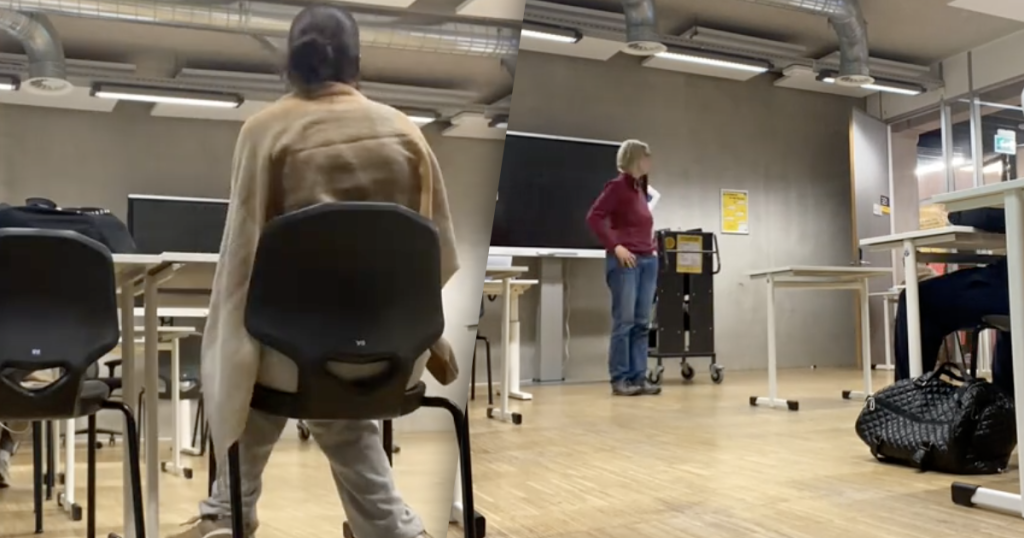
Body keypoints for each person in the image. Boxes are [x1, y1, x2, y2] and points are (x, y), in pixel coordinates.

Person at [170, 5, 460, 538]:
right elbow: (438, 255)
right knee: (337, 402)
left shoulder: (263, 132)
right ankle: (389, 529)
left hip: (297, 357)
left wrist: (228, 348)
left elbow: (240, 260)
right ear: (357, 64)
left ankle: (227, 513)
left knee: (257, 373)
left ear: (290, 62)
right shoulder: (406, 133)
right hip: (393, 354)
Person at [893, 208, 1014, 396]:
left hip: (1011, 281)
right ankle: (1008, 401)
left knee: (916, 301)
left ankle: (906, 401)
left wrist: (955, 213)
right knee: (1012, 322)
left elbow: (992, 215)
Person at [585, 139, 661, 397]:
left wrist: (652, 247)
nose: (650, 161)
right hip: (626, 262)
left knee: (642, 323)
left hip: (648, 260)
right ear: (635, 159)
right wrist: (616, 246)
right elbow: (594, 217)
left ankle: (639, 377)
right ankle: (620, 379)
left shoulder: (641, 188)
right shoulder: (617, 187)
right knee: (625, 322)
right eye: (646, 156)